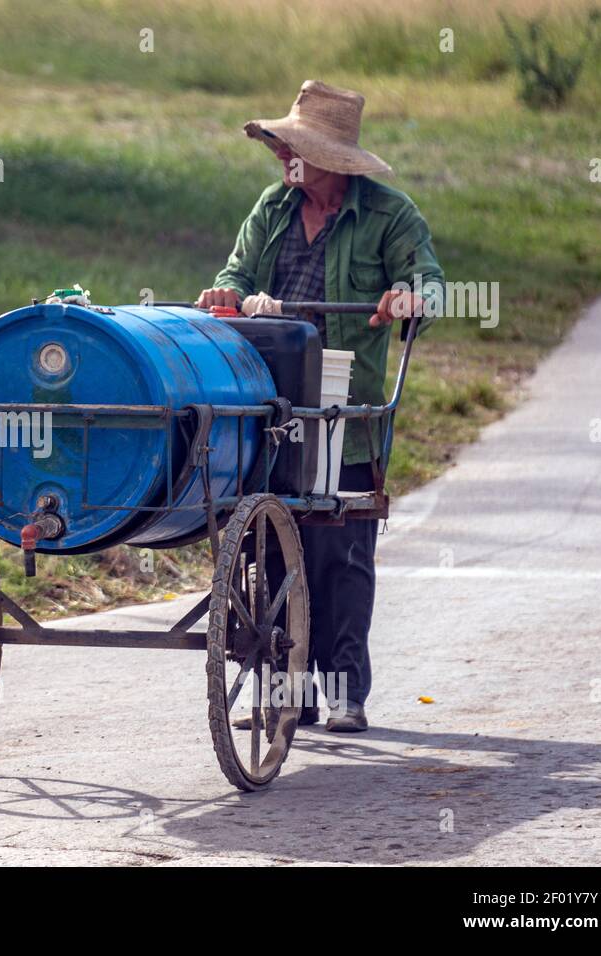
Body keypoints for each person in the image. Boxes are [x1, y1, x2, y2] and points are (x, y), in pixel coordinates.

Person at [197, 80, 445, 733]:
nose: (284, 161)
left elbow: (427, 280)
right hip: (269, 405)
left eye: (296, 151)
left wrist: (408, 297)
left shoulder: (389, 216)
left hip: (344, 412)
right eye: (283, 150)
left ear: (335, 161)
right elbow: (237, 276)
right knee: (272, 551)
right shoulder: (273, 209)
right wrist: (227, 293)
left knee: (341, 556)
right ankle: (287, 694)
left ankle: (343, 692)